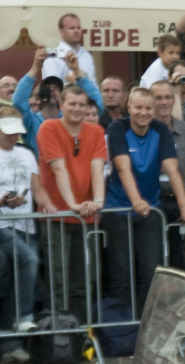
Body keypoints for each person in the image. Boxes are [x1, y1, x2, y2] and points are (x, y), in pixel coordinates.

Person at [104, 87, 185, 315]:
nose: (143, 113)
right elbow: (123, 168)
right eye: (138, 108)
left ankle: (144, 324)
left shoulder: (160, 129)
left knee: (152, 272)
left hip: (151, 208)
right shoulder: (117, 128)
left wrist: (184, 206)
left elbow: (172, 170)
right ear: (129, 108)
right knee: (122, 274)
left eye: (148, 108)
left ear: (154, 110)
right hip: (118, 209)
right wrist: (136, 201)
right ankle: (123, 326)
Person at [36, 84, 105, 325]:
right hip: (56, 215)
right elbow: (58, 168)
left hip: (86, 215)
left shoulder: (95, 131)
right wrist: (73, 204)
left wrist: (98, 201)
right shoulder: (49, 127)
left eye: (81, 105)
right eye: (72, 104)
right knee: (58, 279)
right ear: (61, 105)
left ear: (87, 108)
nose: (77, 108)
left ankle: (81, 331)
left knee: (85, 279)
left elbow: (97, 168)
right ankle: (57, 333)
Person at [0, 109, 48, 362]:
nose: (12, 136)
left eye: (16, 131)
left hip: (26, 224)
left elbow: (36, 189)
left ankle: (10, 343)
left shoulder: (27, 154)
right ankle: (24, 317)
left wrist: (49, 205)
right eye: (7, 131)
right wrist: (3, 201)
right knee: (29, 259)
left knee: (15, 280)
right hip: (2, 224)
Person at [151, 80, 185, 270]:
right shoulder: (142, 132)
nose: (164, 102)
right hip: (152, 205)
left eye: (168, 97)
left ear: (174, 100)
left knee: (181, 261)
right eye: (158, 98)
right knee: (153, 261)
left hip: (184, 206)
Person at [15, 48, 101, 158]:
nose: (51, 90)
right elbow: (18, 102)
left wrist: (76, 71)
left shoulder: (71, 118)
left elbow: (96, 103)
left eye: (56, 88)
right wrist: (35, 66)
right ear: (39, 95)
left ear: (62, 97)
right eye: (47, 88)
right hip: (38, 167)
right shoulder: (31, 120)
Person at [43, 14, 95, 84]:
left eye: (78, 28)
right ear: (61, 31)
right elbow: (53, 86)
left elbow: (93, 82)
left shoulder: (86, 54)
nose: (76, 31)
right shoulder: (54, 55)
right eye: (71, 28)